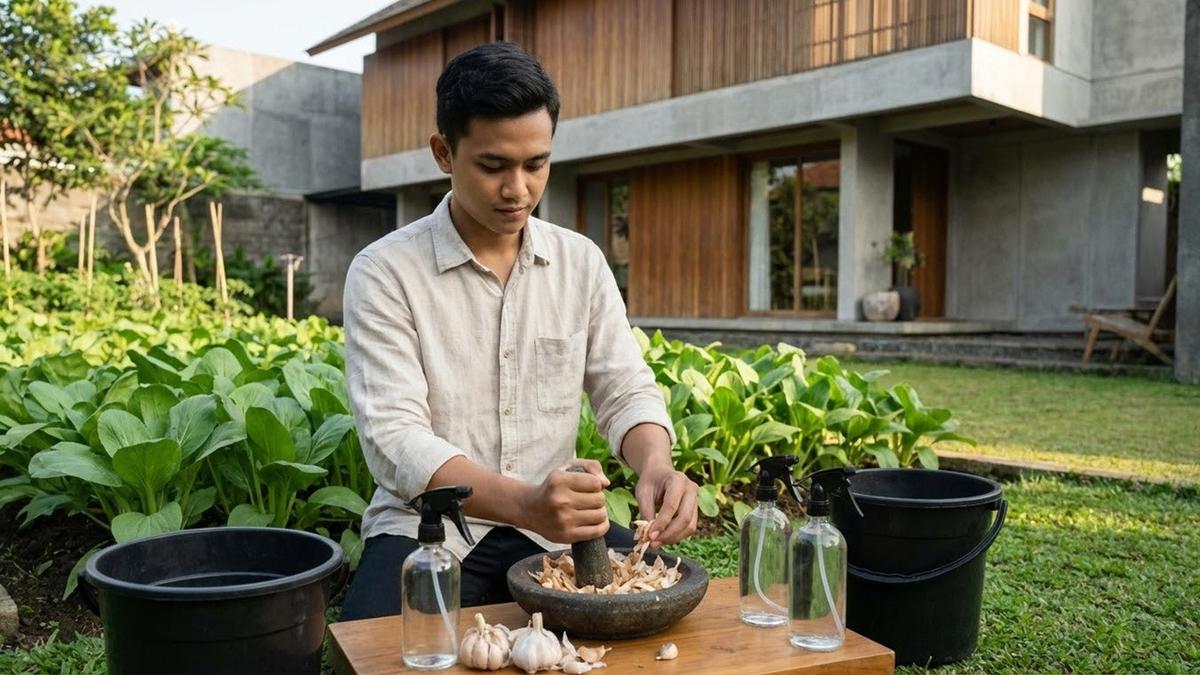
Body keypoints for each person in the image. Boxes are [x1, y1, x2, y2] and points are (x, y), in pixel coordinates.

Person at [338, 42, 697, 621]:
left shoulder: (580, 263)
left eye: (536, 164)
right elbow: (396, 439)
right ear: (443, 153)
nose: (519, 190)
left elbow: (624, 386)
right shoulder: (384, 272)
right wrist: (526, 505)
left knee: (658, 625)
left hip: (559, 532)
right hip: (429, 528)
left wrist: (655, 463)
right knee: (377, 648)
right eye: (494, 166)